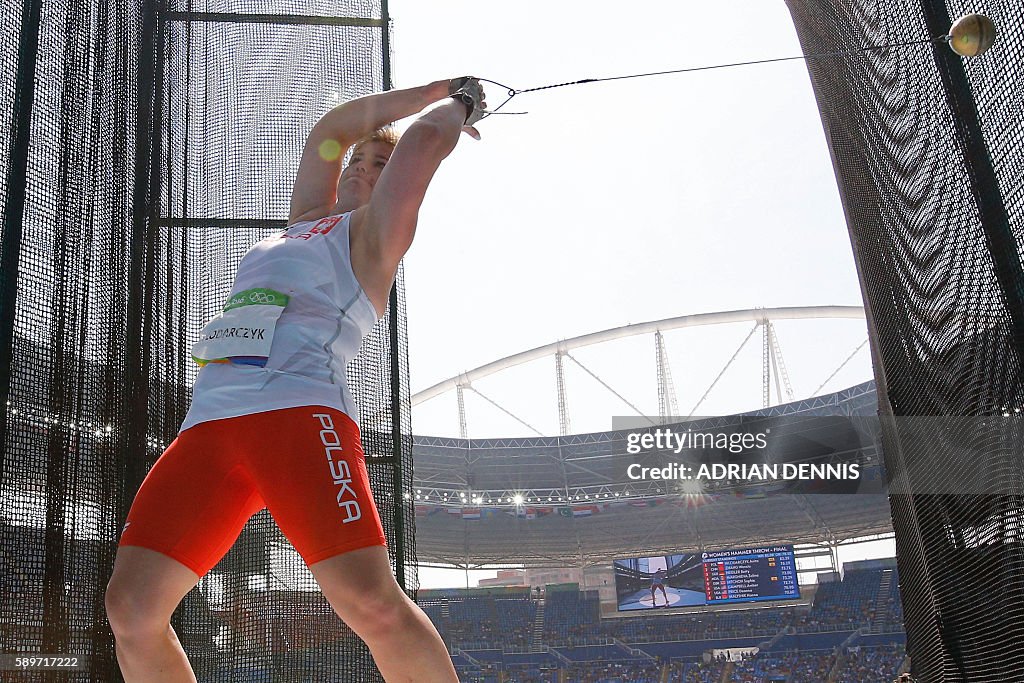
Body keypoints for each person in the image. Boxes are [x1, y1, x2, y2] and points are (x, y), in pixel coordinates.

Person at [104, 76, 487, 682]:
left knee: (370, 605)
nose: (364, 165)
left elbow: (422, 143)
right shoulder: (302, 222)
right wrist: (430, 87)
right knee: (131, 610)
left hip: (297, 419)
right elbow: (332, 131)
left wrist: (459, 103)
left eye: (379, 164)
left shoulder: (373, 237)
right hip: (207, 427)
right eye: (359, 158)